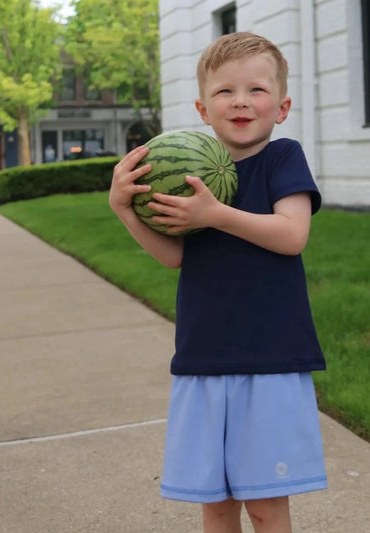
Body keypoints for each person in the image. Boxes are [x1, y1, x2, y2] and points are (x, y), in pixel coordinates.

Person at [109, 32, 327, 533]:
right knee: (216, 502)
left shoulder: (282, 157)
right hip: (203, 358)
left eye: (256, 89)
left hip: (270, 359)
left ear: (283, 105)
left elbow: (292, 235)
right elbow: (174, 257)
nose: (242, 101)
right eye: (225, 91)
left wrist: (217, 213)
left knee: (266, 506)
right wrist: (124, 209)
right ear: (204, 110)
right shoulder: (189, 175)